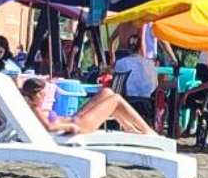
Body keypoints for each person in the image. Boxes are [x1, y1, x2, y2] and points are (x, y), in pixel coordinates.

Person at [19, 76, 156, 136]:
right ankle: (147, 130)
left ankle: (128, 126)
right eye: (42, 94)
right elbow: (49, 127)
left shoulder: (34, 107)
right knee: (116, 99)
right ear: (35, 95)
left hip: (76, 119)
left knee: (106, 92)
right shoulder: (35, 109)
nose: (45, 97)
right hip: (81, 126)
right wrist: (70, 126)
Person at [111, 33, 159, 100]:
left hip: (128, 104)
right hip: (146, 103)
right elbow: (155, 85)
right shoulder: (150, 63)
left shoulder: (120, 63)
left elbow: (116, 88)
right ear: (140, 47)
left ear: (127, 48)